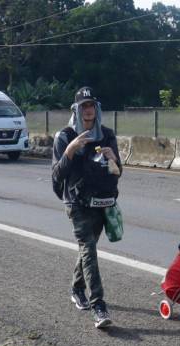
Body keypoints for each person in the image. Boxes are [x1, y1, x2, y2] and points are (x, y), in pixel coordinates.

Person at [51, 87, 122, 329]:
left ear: (97, 108)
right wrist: (70, 151)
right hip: (76, 203)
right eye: (84, 106)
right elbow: (57, 174)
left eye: (91, 105)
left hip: (102, 202)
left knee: (87, 250)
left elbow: (118, 172)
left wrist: (112, 158)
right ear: (76, 109)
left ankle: (76, 287)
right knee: (89, 249)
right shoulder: (65, 136)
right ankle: (99, 306)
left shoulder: (107, 135)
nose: (88, 110)